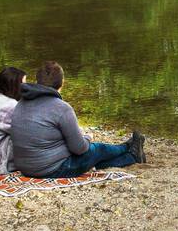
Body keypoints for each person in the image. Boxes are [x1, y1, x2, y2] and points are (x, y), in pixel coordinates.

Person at [10, 61, 145, 178]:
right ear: (62, 83)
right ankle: (127, 147)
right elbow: (80, 149)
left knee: (93, 158)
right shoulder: (62, 108)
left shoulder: (21, 103)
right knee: (96, 149)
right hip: (52, 170)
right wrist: (87, 138)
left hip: (25, 168)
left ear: (38, 81)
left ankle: (132, 156)